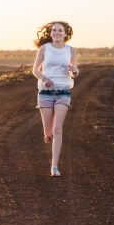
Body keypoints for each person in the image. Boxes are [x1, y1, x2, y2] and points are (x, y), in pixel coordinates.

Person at [32, 21, 79, 177]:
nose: (57, 32)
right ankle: (48, 133)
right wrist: (44, 79)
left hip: (63, 91)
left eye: (60, 30)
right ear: (50, 33)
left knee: (58, 128)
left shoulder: (70, 50)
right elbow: (35, 71)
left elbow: (74, 71)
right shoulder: (44, 49)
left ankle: (54, 167)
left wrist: (75, 70)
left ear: (66, 34)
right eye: (54, 30)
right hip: (46, 91)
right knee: (49, 130)